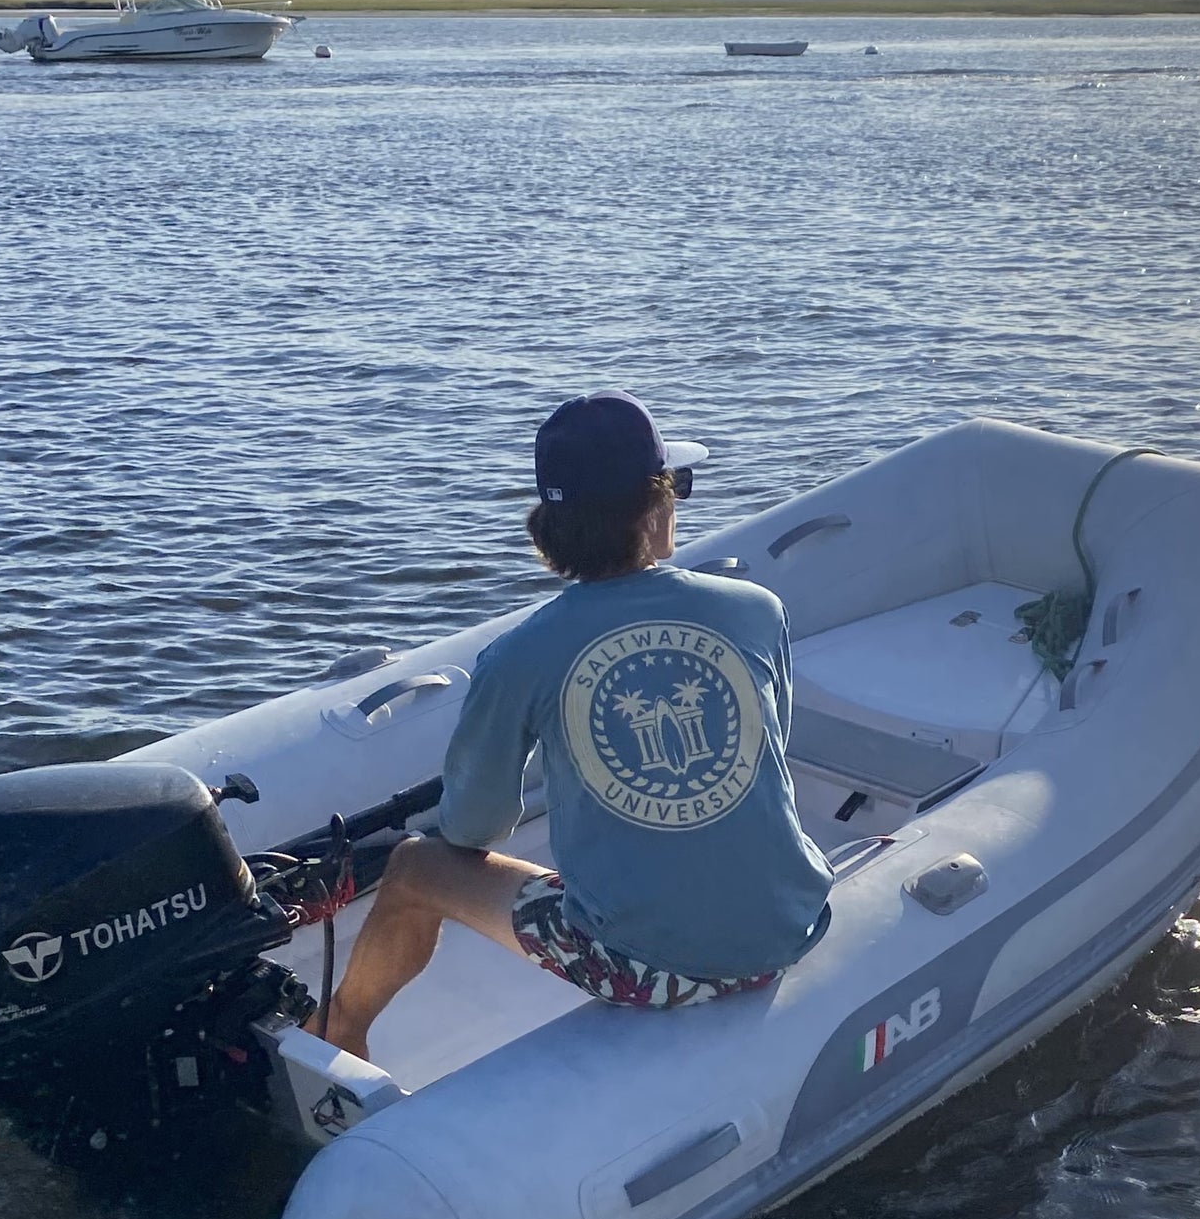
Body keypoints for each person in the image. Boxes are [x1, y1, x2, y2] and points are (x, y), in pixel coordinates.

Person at [316, 390, 833, 1060]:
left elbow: (472, 828)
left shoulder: (519, 653)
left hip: (645, 968)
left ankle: (337, 1030)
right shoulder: (756, 609)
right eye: (677, 483)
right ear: (652, 507)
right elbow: (769, 747)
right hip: (789, 928)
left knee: (417, 866)